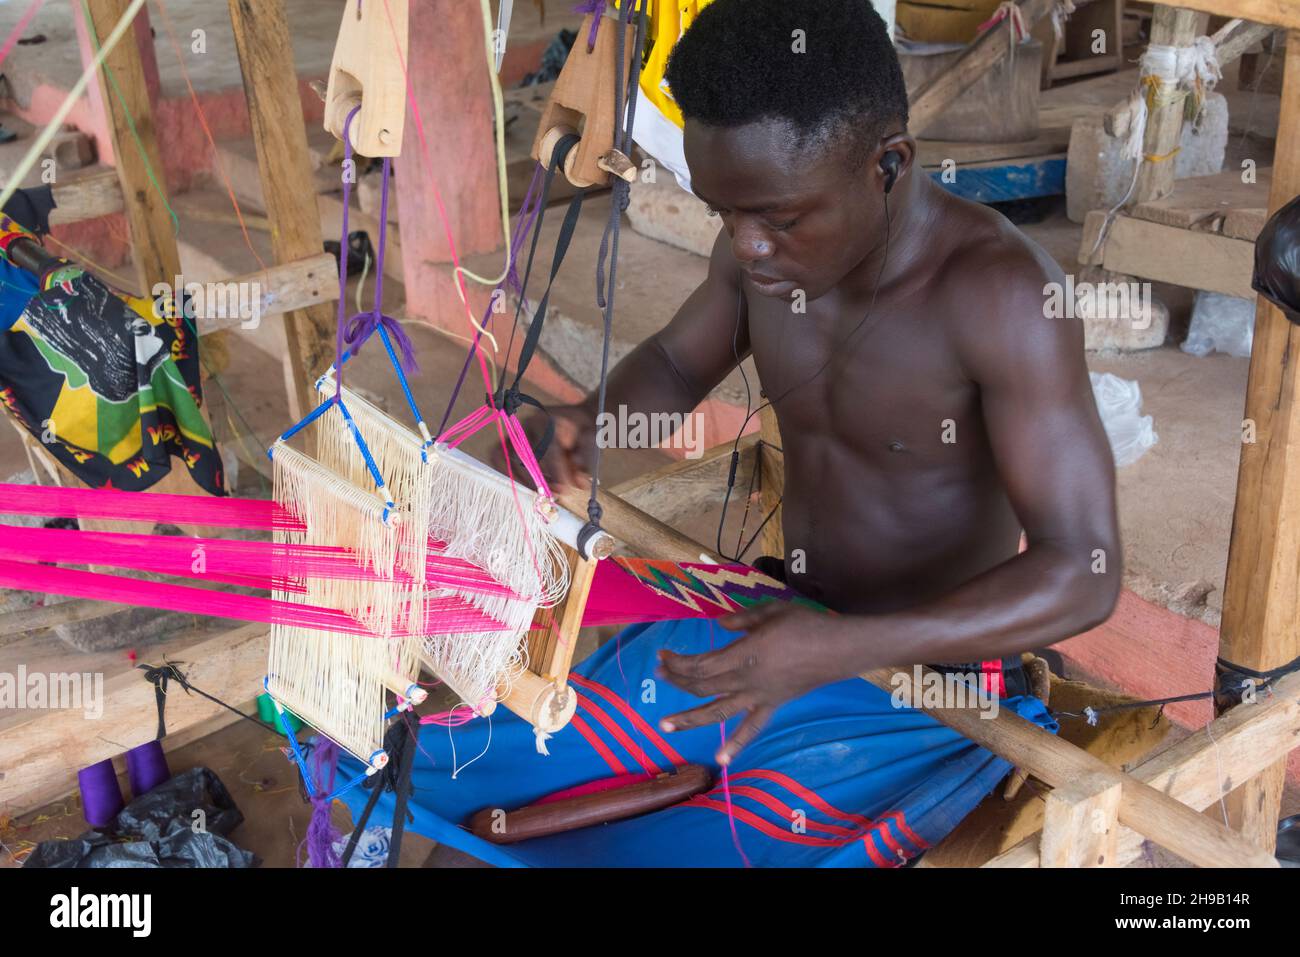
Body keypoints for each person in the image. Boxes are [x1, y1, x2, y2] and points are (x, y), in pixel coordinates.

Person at [341, 0, 1119, 867]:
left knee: (607, 856)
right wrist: (581, 425)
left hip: (927, 684)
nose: (747, 248)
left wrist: (842, 648)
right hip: (777, 618)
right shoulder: (761, 247)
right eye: (723, 213)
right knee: (458, 801)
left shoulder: (1000, 297)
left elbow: (1081, 571)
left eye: (779, 219)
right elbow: (676, 364)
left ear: (887, 165)